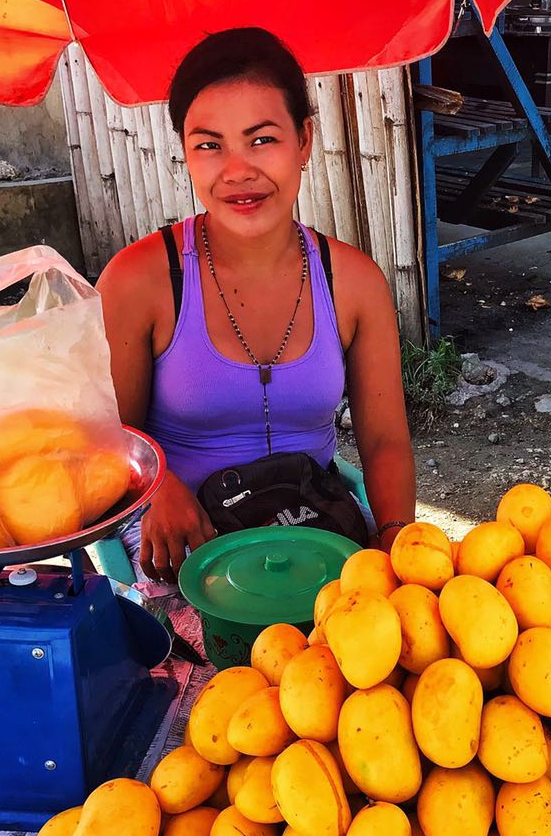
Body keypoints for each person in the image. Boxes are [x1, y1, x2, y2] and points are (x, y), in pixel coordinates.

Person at [98, 29, 416, 582]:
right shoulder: (140, 279)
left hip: (314, 518)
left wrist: (393, 546)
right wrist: (156, 489)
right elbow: (105, 436)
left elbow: (386, 440)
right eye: (209, 145)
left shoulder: (354, 282)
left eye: (262, 140)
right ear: (185, 153)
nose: (238, 170)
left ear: (305, 140)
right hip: (179, 530)